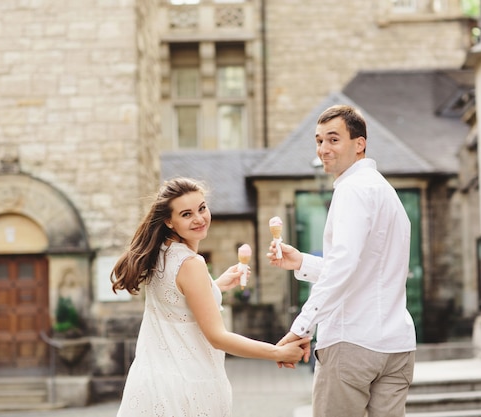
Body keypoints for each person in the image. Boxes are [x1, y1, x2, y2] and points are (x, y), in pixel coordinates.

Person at [111, 177, 310, 417]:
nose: (199, 218)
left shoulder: (160, 254)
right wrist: (277, 352)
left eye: (202, 208)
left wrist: (215, 286)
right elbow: (217, 337)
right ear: (169, 221)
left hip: (151, 385)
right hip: (187, 387)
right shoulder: (191, 263)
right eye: (186, 214)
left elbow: (177, 304)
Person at [268, 105, 416, 417]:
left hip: (352, 344)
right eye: (319, 141)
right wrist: (302, 262)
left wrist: (302, 327)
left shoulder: (351, 189)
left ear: (359, 143)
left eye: (333, 140)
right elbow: (363, 269)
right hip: (397, 346)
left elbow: (344, 266)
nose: (323, 149)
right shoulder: (387, 193)